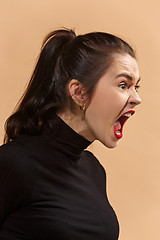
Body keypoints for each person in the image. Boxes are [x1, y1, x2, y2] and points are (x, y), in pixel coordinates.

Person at [0, 28, 141, 240]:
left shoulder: (94, 170)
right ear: (78, 92)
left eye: (136, 87)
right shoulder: (12, 163)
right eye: (123, 85)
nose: (136, 98)